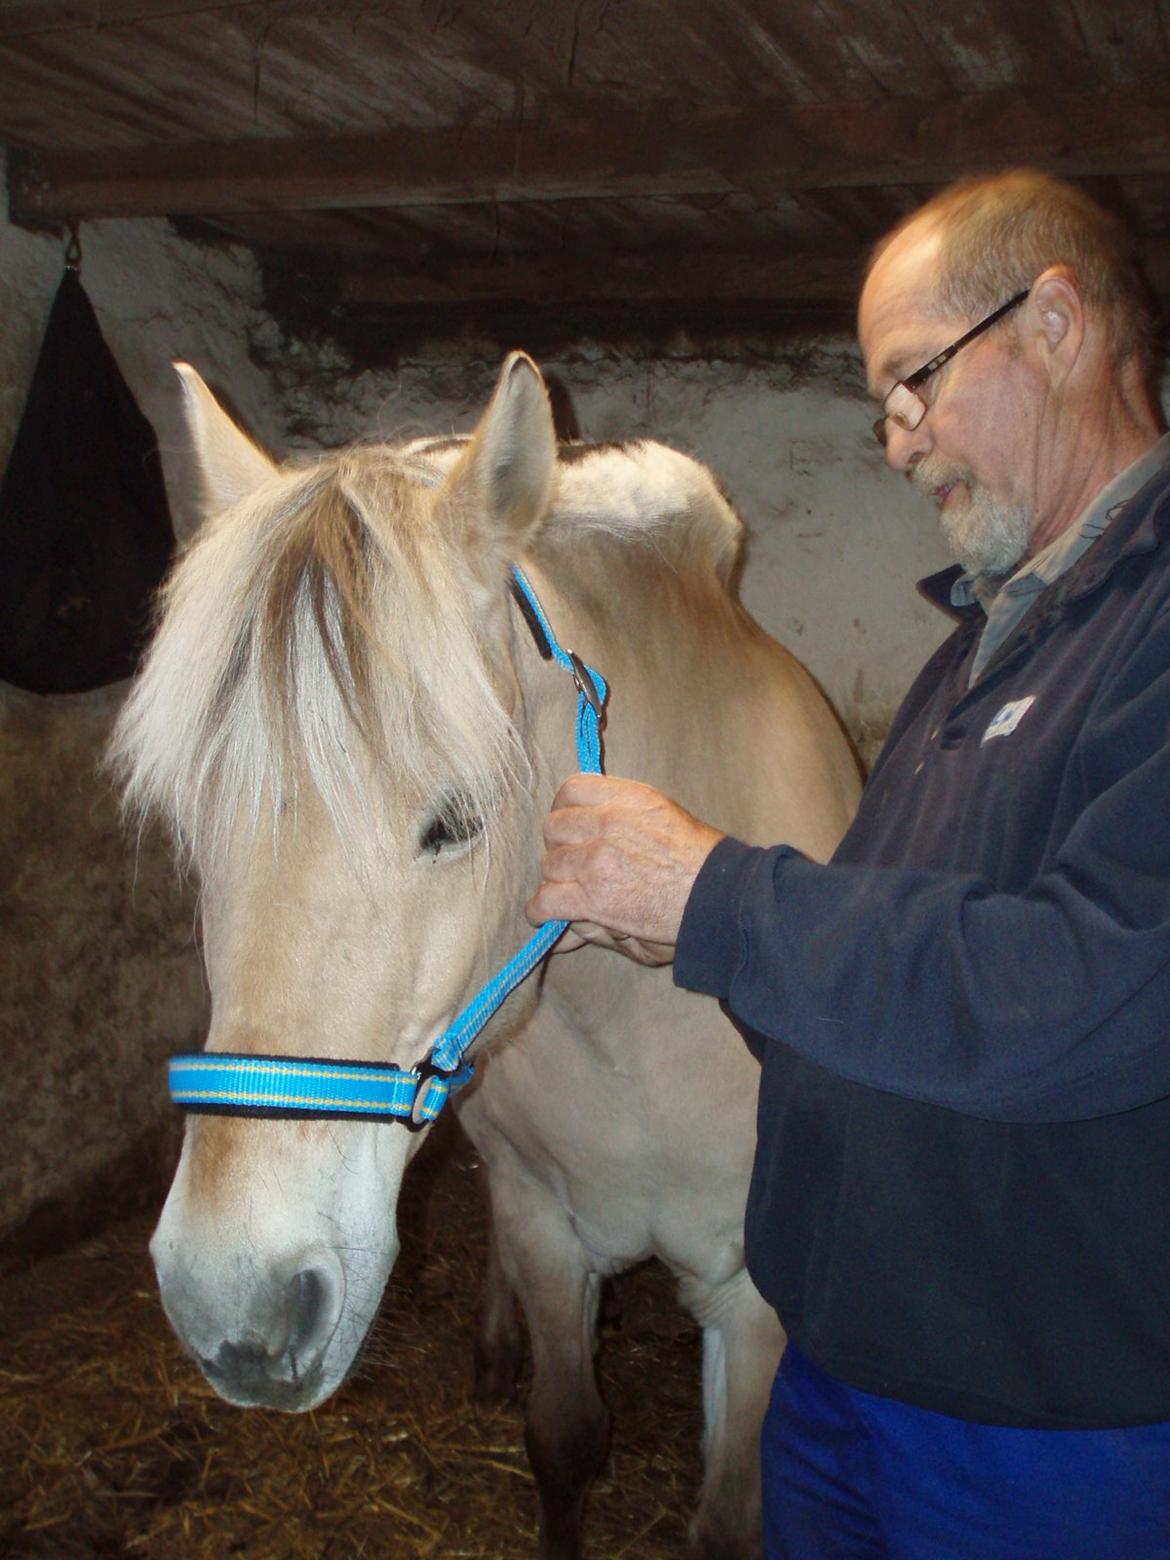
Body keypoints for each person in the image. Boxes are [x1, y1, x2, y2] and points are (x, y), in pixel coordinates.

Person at [525, 168, 1170, 1558]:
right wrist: (692, 937)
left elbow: (1094, 989)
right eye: (883, 407)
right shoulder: (974, 652)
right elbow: (894, 993)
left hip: (1045, 1425)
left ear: (1056, 324)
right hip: (840, 1365)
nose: (896, 442)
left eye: (912, 384)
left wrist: (720, 895)